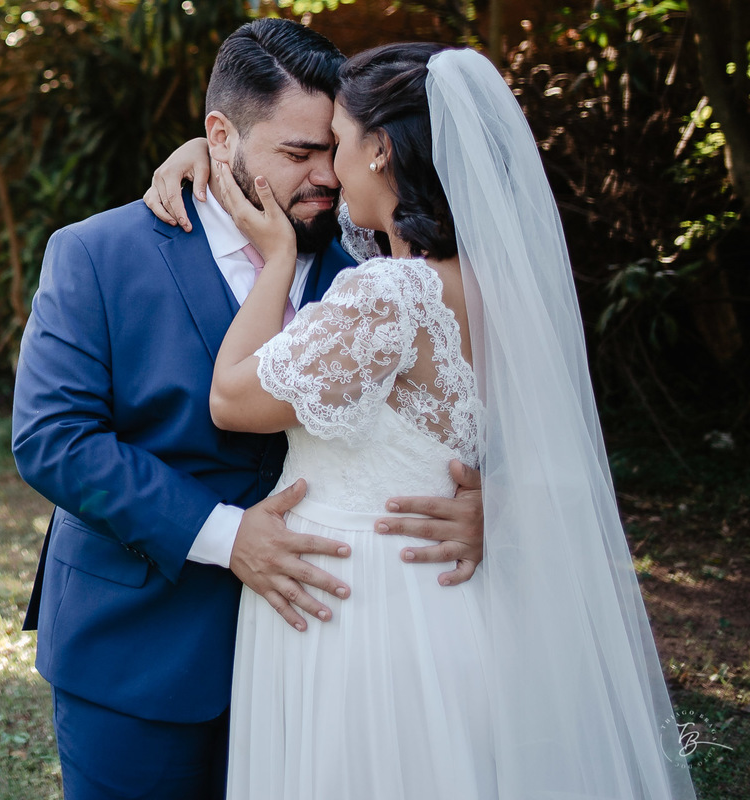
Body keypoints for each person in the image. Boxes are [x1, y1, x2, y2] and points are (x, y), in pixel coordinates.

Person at [149, 41, 696, 799]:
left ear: (380, 153)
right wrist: (208, 151)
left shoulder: (390, 295)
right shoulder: (494, 286)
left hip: (360, 611)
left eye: (336, 144)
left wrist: (274, 261)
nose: (326, 170)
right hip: (450, 601)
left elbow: (232, 401)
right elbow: (553, 448)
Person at [11, 21, 486, 800]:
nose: (325, 177)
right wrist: (227, 537)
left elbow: (458, 407)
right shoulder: (99, 254)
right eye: (297, 154)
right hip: (139, 646)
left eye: (331, 146)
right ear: (219, 136)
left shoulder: (372, 267)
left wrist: (486, 503)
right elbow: (53, 442)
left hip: (330, 659)